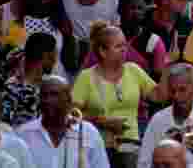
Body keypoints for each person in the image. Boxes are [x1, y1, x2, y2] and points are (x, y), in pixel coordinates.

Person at [71, 23, 170, 168]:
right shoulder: (86, 77)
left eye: (125, 45)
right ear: (103, 51)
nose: (124, 50)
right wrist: (102, 122)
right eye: (118, 46)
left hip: (130, 146)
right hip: (98, 146)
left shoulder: (133, 70)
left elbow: (159, 97)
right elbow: (73, 114)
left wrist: (167, 65)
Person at [17, 75, 109, 168]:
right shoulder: (23, 134)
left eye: (54, 94)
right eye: (44, 95)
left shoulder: (89, 133)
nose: (47, 100)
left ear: (68, 100)